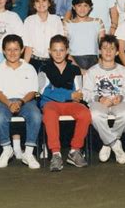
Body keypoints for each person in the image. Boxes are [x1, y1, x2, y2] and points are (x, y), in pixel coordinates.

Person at [39, 35, 91, 171]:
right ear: (49, 51)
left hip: (70, 104)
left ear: (67, 51)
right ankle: (55, 154)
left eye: (61, 50)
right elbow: (44, 91)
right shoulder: (44, 68)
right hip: (50, 104)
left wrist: (64, 93)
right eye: (55, 50)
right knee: (49, 114)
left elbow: (78, 92)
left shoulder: (75, 69)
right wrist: (68, 94)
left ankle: (74, 151)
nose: (58, 54)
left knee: (85, 113)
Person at [0, 35, 42, 169]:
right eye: (8, 49)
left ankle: (29, 153)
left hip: (25, 101)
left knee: (36, 115)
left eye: (16, 49)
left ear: (22, 50)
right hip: (4, 102)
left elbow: (32, 91)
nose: (12, 53)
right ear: (3, 51)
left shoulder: (29, 68)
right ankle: (7, 149)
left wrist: (20, 102)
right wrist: (9, 104)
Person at [83, 35, 125, 165]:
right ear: (99, 51)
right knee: (94, 115)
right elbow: (86, 93)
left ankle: (107, 143)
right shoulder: (92, 71)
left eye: (112, 48)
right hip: (100, 102)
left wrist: (121, 97)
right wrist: (99, 98)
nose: (108, 51)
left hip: (118, 102)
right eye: (104, 48)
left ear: (117, 52)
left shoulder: (124, 71)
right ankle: (115, 144)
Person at [23, 0, 64, 72]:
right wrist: (25, 68)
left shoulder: (56, 20)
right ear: (34, 5)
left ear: (49, 3)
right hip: (34, 61)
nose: (41, 4)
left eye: (44, 0)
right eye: (37, 1)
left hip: (53, 61)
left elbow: (60, 44)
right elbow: (28, 47)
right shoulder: (29, 20)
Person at [65, 0, 105, 73]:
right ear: (73, 7)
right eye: (79, 5)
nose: (82, 9)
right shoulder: (67, 24)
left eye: (85, 5)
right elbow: (64, 49)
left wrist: (100, 64)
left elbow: (103, 46)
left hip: (94, 61)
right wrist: (79, 69)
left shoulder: (97, 22)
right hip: (73, 61)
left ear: (90, 7)